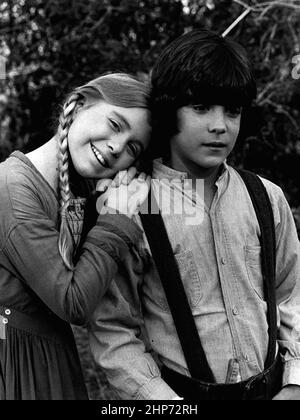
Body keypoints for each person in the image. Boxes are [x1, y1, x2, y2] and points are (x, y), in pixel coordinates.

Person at [89, 30, 300, 400]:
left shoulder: (267, 198)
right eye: (201, 108)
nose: (219, 125)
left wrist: (294, 384)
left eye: (231, 111)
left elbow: (292, 298)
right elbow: (113, 329)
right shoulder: (133, 204)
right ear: (170, 110)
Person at [0, 72, 151, 400]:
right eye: (115, 124)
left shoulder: (76, 198)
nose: (116, 148)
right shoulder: (12, 188)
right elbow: (73, 301)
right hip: (17, 369)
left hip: (52, 363)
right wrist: (116, 219)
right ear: (77, 104)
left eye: (132, 147)